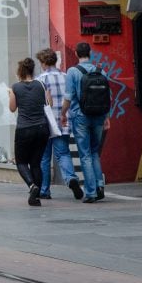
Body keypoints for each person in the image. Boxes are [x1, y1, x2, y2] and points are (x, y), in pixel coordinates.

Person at [63, 42, 107, 203]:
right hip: (99, 116)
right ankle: (100, 185)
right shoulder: (101, 70)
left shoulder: (72, 72)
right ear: (90, 53)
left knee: (85, 154)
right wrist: (106, 117)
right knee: (95, 152)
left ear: (76, 53)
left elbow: (68, 97)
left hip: (80, 116)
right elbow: (107, 97)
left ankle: (91, 192)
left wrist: (62, 113)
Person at [36, 49, 82, 200]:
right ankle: (71, 179)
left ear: (43, 62)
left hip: (46, 123)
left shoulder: (40, 79)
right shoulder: (66, 76)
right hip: (64, 120)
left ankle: (44, 190)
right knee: (63, 153)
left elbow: (39, 103)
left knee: (44, 157)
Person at [9, 57, 52, 207]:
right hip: (42, 128)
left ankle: (32, 186)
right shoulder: (41, 84)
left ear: (20, 71)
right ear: (32, 70)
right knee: (36, 163)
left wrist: (12, 95)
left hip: (24, 129)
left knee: (21, 162)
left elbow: (12, 108)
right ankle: (36, 196)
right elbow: (49, 104)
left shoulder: (16, 87)